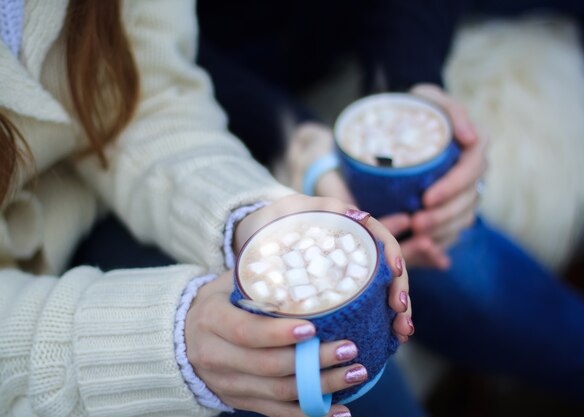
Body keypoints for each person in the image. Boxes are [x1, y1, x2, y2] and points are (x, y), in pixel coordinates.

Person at [195, 0, 584, 407]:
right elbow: (165, 71)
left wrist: (409, 85)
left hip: (353, 46)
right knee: (417, 272)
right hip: (221, 127)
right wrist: (292, 136)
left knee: (434, 237)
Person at [0, 1, 419, 416]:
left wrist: (247, 212)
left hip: (99, 203)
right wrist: (166, 342)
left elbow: (146, 98)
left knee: (345, 365)